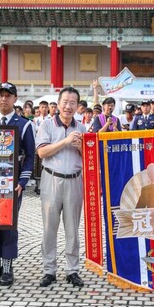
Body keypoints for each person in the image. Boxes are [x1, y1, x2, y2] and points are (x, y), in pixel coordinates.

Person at [0, 82, 35, 286]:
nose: (4, 99)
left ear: (15, 99)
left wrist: (23, 181)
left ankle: (8, 267)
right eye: (1, 95)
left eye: (8, 95)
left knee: (9, 224)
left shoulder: (24, 125)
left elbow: (30, 156)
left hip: (13, 185)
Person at [36, 86, 86, 288]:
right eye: (65, 102)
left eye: (72, 102)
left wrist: (82, 147)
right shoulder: (46, 125)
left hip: (75, 181)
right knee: (50, 228)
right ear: (58, 103)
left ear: (77, 106)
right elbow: (42, 153)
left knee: (73, 229)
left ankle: (72, 270)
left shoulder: (82, 128)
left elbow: (89, 157)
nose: (68, 106)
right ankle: (49, 270)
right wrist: (66, 141)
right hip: (51, 180)